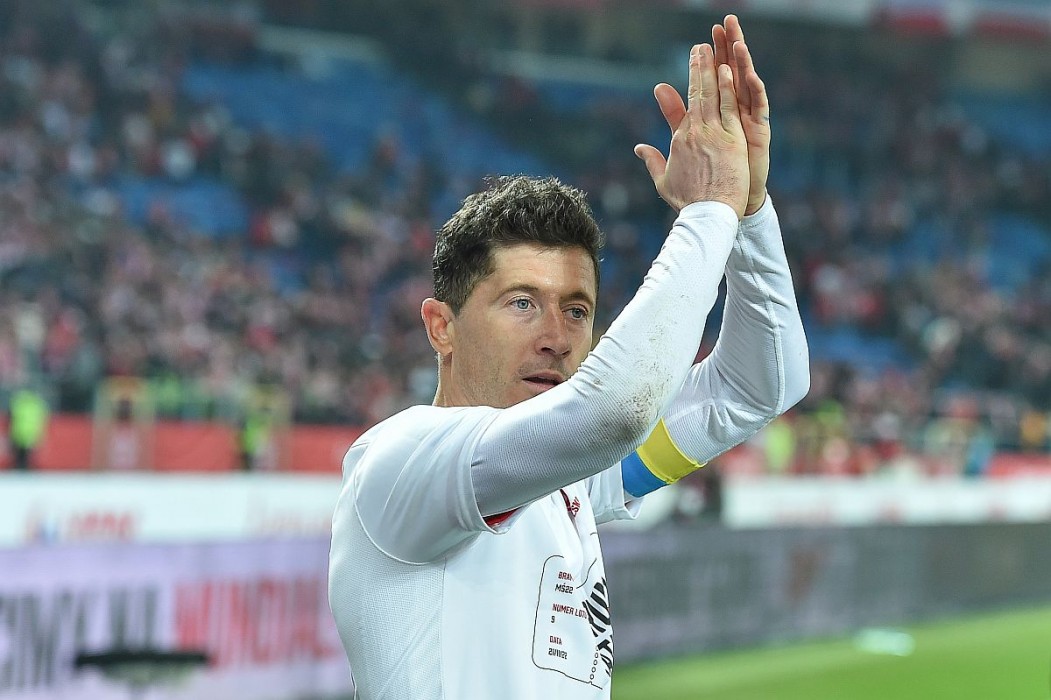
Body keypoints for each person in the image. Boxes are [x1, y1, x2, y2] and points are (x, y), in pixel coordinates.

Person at [328, 15, 809, 699]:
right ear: (441, 327)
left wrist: (749, 213)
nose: (556, 335)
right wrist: (708, 211)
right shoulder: (403, 462)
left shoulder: (573, 486)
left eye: (577, 310)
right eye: (522, 302)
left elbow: (760, 387)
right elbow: (614, 411)